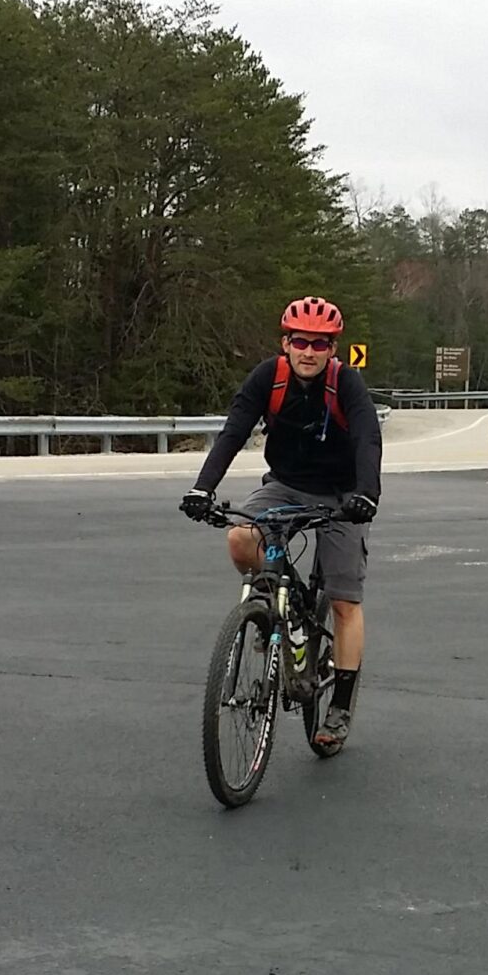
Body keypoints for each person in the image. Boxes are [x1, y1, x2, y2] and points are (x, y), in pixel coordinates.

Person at [180, 296, 382, 751]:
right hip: (286, 486)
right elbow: (233, 432)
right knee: (239, 539)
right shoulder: (267, 378)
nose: (308, 351)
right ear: (285, 342)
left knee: (345, 600)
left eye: (320, 343)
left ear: (333, 348)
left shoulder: (346, 384)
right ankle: (271, 606)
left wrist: (367, 496)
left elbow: (368, 437)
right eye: (299, 341)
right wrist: (201, 489)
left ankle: (340, 706)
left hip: (342, 495)